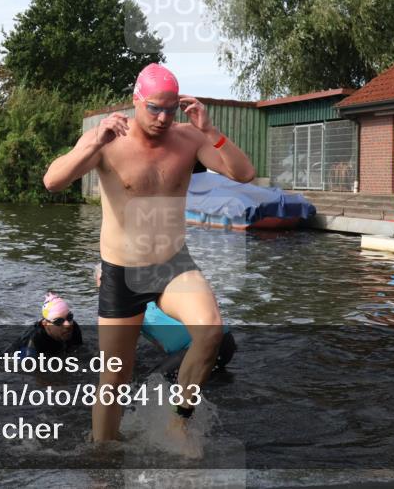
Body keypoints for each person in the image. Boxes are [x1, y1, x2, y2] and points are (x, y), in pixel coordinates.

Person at [43, 62, 255, 451]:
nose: (162, 117)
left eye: (170, 109)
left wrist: (212, 132)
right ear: (136, 101)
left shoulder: (190, 138)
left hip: (173, 264)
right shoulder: (107, 139)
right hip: (122, 272)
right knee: (114, 376)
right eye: (154, 108)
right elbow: (53, 181)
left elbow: (244, 173)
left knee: (210, 332)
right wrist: (93, 141)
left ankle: (179, 421)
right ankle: (102, 454)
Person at [141, 302, 236, 381]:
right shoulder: (162, 296)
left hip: (202, 347)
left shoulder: (132, 310)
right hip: (226, 340)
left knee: (153, 381)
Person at [6, 292, 83, 359]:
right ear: (45, 324)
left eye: (69, 317)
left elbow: (78, 351)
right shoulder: (34, 340)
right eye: (59, 321)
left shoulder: (73, 326)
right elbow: (25, 370)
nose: (67, 325)